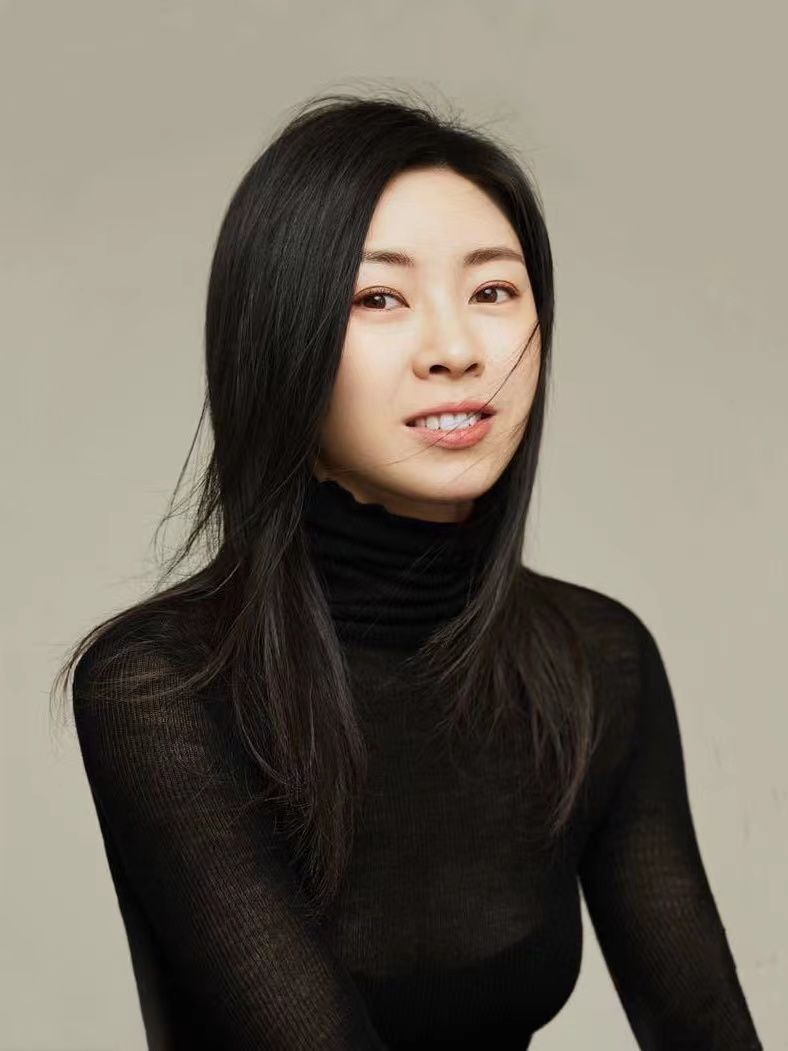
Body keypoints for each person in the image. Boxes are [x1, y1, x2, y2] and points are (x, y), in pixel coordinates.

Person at [53, 90, 762, 1049]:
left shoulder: (597, 659)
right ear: (281, 341)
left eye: (493, 291)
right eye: (378, 298)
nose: (457, 351)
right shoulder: (165, 684)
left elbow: (704, 1023)